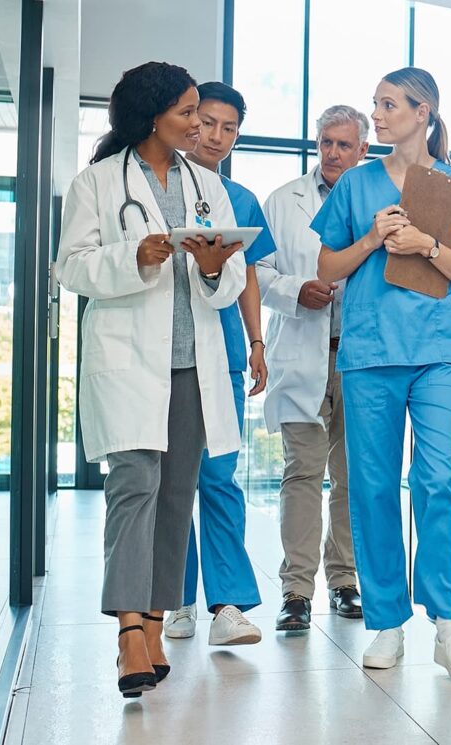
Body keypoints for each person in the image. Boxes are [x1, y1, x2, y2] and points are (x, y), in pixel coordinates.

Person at [57, 62, 246, 697]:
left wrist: (217, 266)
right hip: (130, 361)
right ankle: (128, 631)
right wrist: (129, 257)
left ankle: (158, 621)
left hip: (193, 365)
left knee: (176, 493)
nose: (200, 125)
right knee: (133, 484)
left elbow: (234, 280)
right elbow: (71, 268)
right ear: (152, 115)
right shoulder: (98, 183)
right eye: (189, 113)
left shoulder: (206, 185)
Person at [312, 67, 451, 679]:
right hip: (368, 354)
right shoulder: (357, 185)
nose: (378, 116)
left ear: (424, 112)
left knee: (438, 479)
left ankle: (446, 624)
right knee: (373, 489)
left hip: (439, 350)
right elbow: (329, 264)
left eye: (389, 105)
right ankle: (388, 622)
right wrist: (371, 239)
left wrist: (426, 247)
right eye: (376, 105)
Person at [162, 81, 277, 646]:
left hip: (223, 350)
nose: (216, 136)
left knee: (218, 475)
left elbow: (250, 275)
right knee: (170, 478)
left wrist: (256, 343)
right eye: (206, 122)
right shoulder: (153, 189)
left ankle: (227, 605)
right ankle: (177, 598)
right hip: (161, 352)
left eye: (229, 128)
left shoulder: (240, 199)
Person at [259, 105, 369, 630]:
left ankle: (344, 581)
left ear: (363, 150)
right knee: (302, 473)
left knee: (351, 478)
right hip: (303, 354)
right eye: (326, 142)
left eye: (344, 145)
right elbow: (254, 272)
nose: (332, 153)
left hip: (361, 361)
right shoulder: (283, 202)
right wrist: (292, 289)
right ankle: (296, 591)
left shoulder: (379, 200)